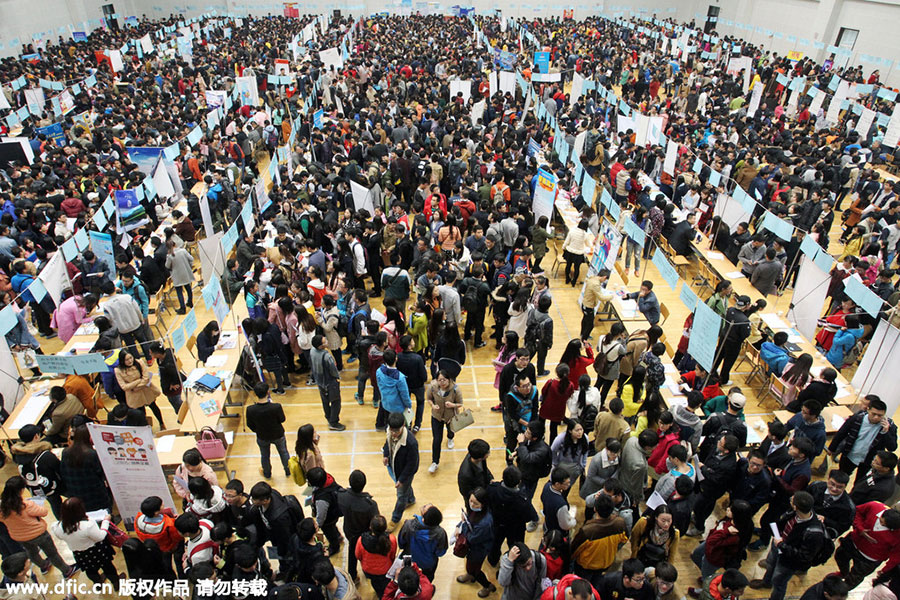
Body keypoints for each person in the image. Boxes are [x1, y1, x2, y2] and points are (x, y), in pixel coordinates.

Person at [749, 491, 827, 600]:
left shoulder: (814, 533)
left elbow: (803, 556)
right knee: (771, 565)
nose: (790, 499)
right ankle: (766, 582)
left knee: (779, 582)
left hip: (788, 560)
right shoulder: (796, 513)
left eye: (792, 500)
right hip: (779, 544)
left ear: (795, 507)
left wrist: (781, 545)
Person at [0, 476, 75, 577]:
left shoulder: (2, 508)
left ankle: (43, 566)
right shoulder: (26, 505)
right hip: (38, 534)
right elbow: (44, 512)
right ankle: (67, 571)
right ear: (21, 490)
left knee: (32, 553)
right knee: (52, 554)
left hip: (19, 537)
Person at [50, 497, 119, 589]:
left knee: (90, 571)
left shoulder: (57, 527)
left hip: (80, 554)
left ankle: (98, 584)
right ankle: (116, 583)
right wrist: (106, 521)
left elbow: (60, 537)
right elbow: (100, 536)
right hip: (96, 551)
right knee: (107, 567)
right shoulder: (87, 525)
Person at [828, 396, 897, 481]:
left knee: (860, 482)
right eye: (873, 414)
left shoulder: (889, 426)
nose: (876, 417)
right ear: (868, 410)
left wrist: (886, 432)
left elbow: (892, 447)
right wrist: (832, 448)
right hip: (850, 455)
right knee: (841, 477)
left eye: (880, 415)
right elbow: (842, 432)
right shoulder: (857, 418)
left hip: (869, 461)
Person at [834, 502, 900, 589]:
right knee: (839, 557)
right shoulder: (874, 506)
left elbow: (896, 556)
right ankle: (843, 573)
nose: (882, 525)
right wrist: (859, 528)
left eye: (885, 526)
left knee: (853, 580)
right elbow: (857, 511)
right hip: (853, 543)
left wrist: (885, 570)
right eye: (881, 521)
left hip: (868, 560)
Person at [571, 494, 628, 589]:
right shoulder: (620, 523)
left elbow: (574, 550)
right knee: (596, 585)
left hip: (586, 567)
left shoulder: (587, 531)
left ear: (595, 509)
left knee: (582, 587)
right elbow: (624, 539)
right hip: (606, 563)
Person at [486, 466, 539, 567]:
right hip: (515, 529)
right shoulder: (522, 500)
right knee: (515, 547)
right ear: (519, 482)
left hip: (496, 525)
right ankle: (514, 564)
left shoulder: (492, 489)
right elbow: (528, 517)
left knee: (495, 544)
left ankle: (493, 560)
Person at [690, 499, 754, 580]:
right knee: (696, 555)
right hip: (711, 545)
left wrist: (725, 531)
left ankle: (707, 582)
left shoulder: (735, 535)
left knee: (707, 575)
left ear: (737, 515)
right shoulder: (730, 520)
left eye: (731, 509)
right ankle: (707, 574)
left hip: (715, 556)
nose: (727, 509)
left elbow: (712, 542)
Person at [338, 470, 380, 585]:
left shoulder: (342, 496)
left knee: (352, 552)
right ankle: (367, 571)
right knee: (367, 553)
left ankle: (352, 575)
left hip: (349, 530)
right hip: (364, 533)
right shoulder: (370, 505)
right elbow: (376, 520)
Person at [455, 487, 496, 597]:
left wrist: (462, 525)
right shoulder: (475, 511)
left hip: (479, 550)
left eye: (476, 503)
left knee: (476, 570)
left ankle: (487, 586)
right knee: (470, 565)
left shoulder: (485, 523)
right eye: (470, 501)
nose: (472, 505)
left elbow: (471, 538)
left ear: (483, 504)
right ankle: (470, 574)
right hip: (473, 548)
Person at [245, 381, 291, 479]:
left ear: (255, 394)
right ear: (268, 392)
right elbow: (282, 419)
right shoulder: (276, 407)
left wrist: (257, 430)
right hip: (278, 434)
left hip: (262, 436)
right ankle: (288, 470)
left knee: (265, 455)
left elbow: (250, 424)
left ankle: (267, 473)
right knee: (283, 452)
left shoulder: (250, 409)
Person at [61, 426, 111, 512]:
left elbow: (63, 470)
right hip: (93, 492)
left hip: (74, 491)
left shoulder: (65, 452)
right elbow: (100, 472)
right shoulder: (91, 454)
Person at [383, 411, 419, 531]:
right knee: (406, 490)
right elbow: (387, 443)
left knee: (401, 496)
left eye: (396, 431)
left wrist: (402, 480)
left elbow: (412, 464)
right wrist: (386, 454)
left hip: (404, 472)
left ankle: (395, 519)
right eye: (391, 430)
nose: (393, 433)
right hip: (394, 466)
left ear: (403, 425)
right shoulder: (390, 431)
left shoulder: (411, 443)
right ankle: (411, 499)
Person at [515, 421, 553, 531]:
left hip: (530, 478)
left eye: (528, 432)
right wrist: (517, 452)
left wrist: (521, 444)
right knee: (521, 496)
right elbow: (525, 451)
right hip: (524, 473)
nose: (525, 433)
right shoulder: (530, 441)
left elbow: (528, 458)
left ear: (535, 437)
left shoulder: (542, 449)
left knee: (526, 499)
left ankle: (534, 519)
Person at [114, 348, 165, 429]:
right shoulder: (118, 370)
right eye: (127, 359)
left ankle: (162, 423)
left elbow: (146, 378)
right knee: (140, 413)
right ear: (122, 361)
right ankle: (146, 428)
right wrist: (138, 381)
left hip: (145, 390)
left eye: (131, 358)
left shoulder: (139, 362)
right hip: (134, 395)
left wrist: (134, 387)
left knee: (154, 407)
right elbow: (124, 387)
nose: (130, 361)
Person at [397, 504, 448, 581]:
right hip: (428, 563)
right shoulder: (441, 533)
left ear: (424, 518)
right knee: (427, 578)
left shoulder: (408, 525)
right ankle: (426, 589)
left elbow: (401, 542)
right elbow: (440, 552)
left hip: (409, 559)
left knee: (409, 578)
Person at [426, 369, 463, 473]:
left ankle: (450, 438)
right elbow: (428, 398)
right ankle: (435, 462)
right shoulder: (433, 387)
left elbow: (460, 403)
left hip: (450, 417)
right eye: (439, 380)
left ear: (449, 379)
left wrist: (452, 405)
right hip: (437, 416)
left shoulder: (455, 389)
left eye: (444, 380)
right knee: (437, 439)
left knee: (451, 431)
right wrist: (433, 405)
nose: (441, 382)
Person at [135, 496, 181, 578]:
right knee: (178, 561)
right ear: (156, 512)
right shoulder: (168, 524)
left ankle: (171, 579)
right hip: (169, 546)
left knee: (166, 565)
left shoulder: (138, 520)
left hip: (158, 548)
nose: (163, 504)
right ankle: (181, 576)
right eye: (161, 505)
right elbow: (176, 537)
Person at [712, 295, 753, 385]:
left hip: (724, 337)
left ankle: (711, 371)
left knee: (718, 355)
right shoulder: (744, 320)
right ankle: (723, 379)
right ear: (747, 305)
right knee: (728, 362)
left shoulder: (730, 310)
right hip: (734, 343)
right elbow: (745, 334)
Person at [305, 467, 344, 556]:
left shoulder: (322, 499)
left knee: (330, 533)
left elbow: (321, 515)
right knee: (333, 529)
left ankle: (334, 547)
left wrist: (317, 525)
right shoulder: (328, 479)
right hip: (333, 512)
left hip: (328, 519)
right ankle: (338, 536)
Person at [355, 515, 396, 599]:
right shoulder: (391, 540)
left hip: (369, 570)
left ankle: (379, 593)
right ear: (385, 528)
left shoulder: (361, 540)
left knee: (375, 584)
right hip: (385, 570)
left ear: (370, 527)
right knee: (386, 585)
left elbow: (357, 555)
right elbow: (392, 555)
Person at [309, 335, 345, 431]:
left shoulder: (312, 351)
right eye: (325, 342)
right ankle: (334, 422)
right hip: (329, 382)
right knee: (336, 402)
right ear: (320, 346)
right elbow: (333, 370)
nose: (327, 342)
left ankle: (328, 417)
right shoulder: (326, 356)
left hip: (320, 382)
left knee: (325, 401)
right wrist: (337, 378)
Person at [807, 470, 856, 536]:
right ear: (828, 479)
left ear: (845, 486)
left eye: (839, 487)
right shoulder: (815, 486)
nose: (834, 489)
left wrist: (825, 520)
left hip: (822, 532)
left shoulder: (848, 507)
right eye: (832, 484)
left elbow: (842, 527)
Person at [504, 372, 539, 465]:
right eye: (524, 386)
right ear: (517, 387)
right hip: (516, 423)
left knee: (528, 444)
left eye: (529, 385)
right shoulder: (510, 396)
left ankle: (522, 459)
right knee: (511, 444)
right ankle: (509, 460)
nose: (528, 388)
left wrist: (531, 425)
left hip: (530, 421)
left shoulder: (534, 391)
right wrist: (525, 424)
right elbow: (512, 414)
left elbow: (535, 408)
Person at [619, 429, 658, 509]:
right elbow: (636, 485)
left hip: (622, 475)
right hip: (628, 487)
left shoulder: (632, 440)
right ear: (647, 447)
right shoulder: (640, 465)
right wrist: (638, 498)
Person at [550, 418, 590, 497]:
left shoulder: (585, 438)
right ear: (570, 431)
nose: (579, 432)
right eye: (577, 430)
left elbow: (585, 452)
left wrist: (583, 465)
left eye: (581, 429)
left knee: (567, 487)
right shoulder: (561, 438)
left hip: (575, 469)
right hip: (562, 466)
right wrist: (555, 463)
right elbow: (553, 450)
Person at [398, 334, 429, 432]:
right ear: (409, 345)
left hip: (405, 385)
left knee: (407, 405)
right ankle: (417, 424)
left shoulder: (398, 357)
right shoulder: (418, 358)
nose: (414, 342)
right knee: (420, 403)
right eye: (412, 341)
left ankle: (408, 422)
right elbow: (423, 375)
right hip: (418, 385)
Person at [376, 349, 412, 431]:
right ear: (396, 358)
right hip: (398, 408)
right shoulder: (400, 378)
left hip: (385, 404)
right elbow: (405, 395)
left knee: (388, 425)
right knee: (400, 429)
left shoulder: (379, 371)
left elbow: (379, 385)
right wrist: (409, 405)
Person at [149, 342, 184, 416]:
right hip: (166, 383)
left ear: (157, 354)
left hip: (172, 391)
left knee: (178, 404)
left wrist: (174, 383)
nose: (150, 355)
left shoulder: (168, 365)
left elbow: (177, 375)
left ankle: (182, 416)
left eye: (151, 353)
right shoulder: (162, 357)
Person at [541, 467, 577, 536]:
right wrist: (574, 521)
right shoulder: (561, 504)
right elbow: (565, 525)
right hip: (557, 532)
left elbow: (542, 498)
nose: (569, 485)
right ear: (557, 484)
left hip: (548, 522)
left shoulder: (547, 486)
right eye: (566, 483)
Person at [458, 439, 493, 503]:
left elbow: (485, 469)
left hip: (482, 488)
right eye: (487, 453)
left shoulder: (476, 456)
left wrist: (490, 478)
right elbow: (465, 492)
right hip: (476, 500)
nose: (489, 454)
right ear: (480, 458)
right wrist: (478, 495)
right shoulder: (465, 474)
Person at [165, 239, 195, 314]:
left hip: (177, 275)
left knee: (179, 292)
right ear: (175, 244)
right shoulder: (183, 251)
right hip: (185, 273)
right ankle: (190, 302)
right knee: (188, 288)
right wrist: (188, 265)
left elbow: (167, 266)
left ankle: (183, 308)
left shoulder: (169, 256)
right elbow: (191, 259)